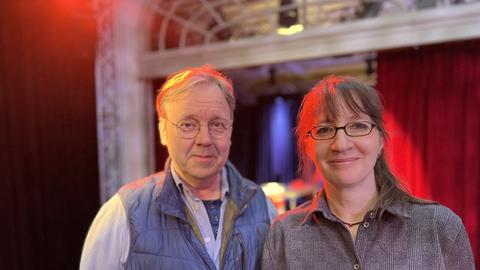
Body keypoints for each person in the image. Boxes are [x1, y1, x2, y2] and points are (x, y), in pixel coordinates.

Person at [261, 76, 475, 269]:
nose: (341, 144)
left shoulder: (439, 227)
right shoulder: (283, 235)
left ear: (380, 139)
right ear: (307, 146)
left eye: (358, 126)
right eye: (324, 129)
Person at [80, 65, 276, 270]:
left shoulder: (263, 207)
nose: (205, 139)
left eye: (217, 124)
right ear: (163, 131)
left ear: (230, 130)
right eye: (188, 125)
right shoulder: (123, 213)